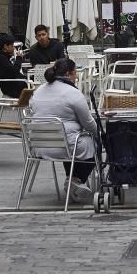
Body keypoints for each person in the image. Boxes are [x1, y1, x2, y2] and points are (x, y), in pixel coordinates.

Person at [29, 58, 100, 203]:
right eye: (75, 73)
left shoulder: (38, 91)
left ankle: (72, 179)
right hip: (66, 147)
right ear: (68, 74)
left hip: (39, 146)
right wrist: (99, 133)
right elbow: (88, 123)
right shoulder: (73, 93)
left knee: (69, 140)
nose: (76, 77)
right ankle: (76, 180)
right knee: (93, 142)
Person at [0, 34, 28, 98]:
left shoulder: (3, 57)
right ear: (6, 46)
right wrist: (19, 58)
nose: (14, 48)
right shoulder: (1, 58)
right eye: (12, 46)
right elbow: (15, 71)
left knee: (30, 81)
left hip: (11, 84)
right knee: (30, 84)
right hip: (11, 88)